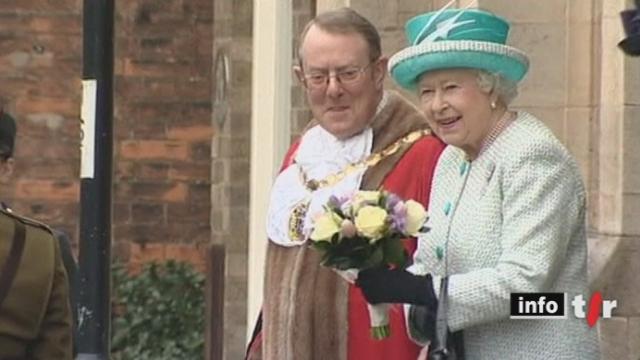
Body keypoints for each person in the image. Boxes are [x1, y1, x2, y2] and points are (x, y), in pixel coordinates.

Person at [355, 6, 601, 359]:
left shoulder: (533, 156)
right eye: (426, 91)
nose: (437, 105)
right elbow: (432, 261)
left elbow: (525, 285)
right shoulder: (452, 158)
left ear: (492, 87)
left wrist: (425, 291)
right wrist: (399, 282)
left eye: (451, 87)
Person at [246, 7, 446, 360]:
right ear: (300, 78)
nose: (333, 90)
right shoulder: (302, 152)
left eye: (348, 74)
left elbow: (444, 285)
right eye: (319, 77)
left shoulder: (425, 154)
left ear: (378, 72)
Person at [0, 110, 75, 358]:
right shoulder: (40, 248)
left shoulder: (43, 247)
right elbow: (56, 349)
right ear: (6, 169)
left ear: (7, 169)